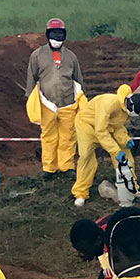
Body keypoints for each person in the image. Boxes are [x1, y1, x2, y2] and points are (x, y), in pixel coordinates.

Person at [25, 19, 86, 178]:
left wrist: (82, 99)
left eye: (60, 34)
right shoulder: (37, 55)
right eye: (54, 34)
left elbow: (78, 79)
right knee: (48, 136)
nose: (57, 37)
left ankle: (67, 167)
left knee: (68, 136)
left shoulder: (71, 57)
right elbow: (31, 78)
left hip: (68, 103)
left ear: (64, 35)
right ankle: (49, 168)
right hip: (46, 103)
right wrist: (30, 99)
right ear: (47, 35)